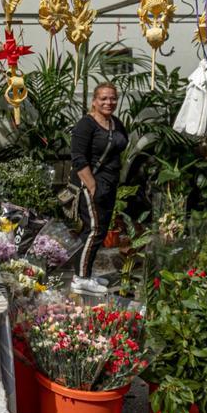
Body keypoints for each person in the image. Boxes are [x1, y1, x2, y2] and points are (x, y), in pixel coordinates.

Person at [68, 82, 128, 295]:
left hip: (108, 185)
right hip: (90, 184)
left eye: (112, 98)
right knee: (93, 230)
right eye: (103, 98)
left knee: (100, 231)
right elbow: (78, 158)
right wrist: (93, 187)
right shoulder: (86, 124)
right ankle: (80, 278)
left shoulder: (115, 123)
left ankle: (86, 272)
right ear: (94, 101)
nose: (108, 102)